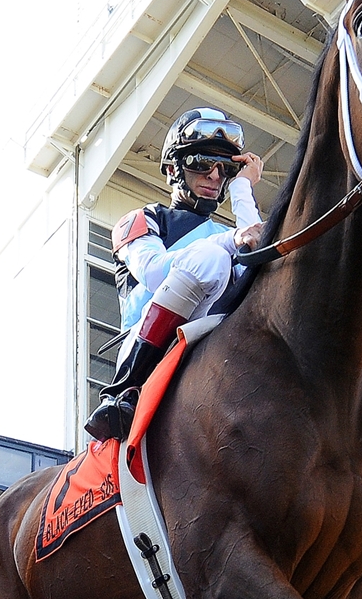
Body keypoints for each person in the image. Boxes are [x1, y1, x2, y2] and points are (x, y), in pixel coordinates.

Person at [84, 108, 265, 442]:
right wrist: (230, 240)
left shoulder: (225, 233)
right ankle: (125, 392)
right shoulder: (141, 219)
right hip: (147, 342)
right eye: (200, 163)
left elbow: (256, 260)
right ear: (172, 168)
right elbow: (155, 272)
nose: (214, 176)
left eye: (224, 168)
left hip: (213, 340)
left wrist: (243, 190)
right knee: (214, 258)